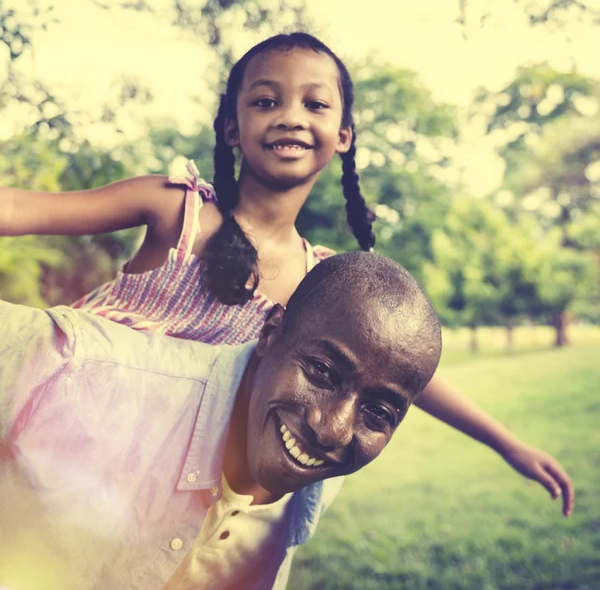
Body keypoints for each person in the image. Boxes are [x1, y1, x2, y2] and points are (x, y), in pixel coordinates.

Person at [0, 32, 573, 514]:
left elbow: (407, 377)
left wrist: (508, 444)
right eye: (266, 101)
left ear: (344, 135)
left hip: (145, 500)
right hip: (47, 442)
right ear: (232, 128)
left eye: (315, 105)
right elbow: (22, 209)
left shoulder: (319, 283)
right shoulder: (179, 210)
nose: (290, 117)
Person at [0, 252, 441, 590]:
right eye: (322, 373)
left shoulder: (319, 483)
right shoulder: (82, 367)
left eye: (378, 413)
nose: (333, 429)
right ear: (271, 333)